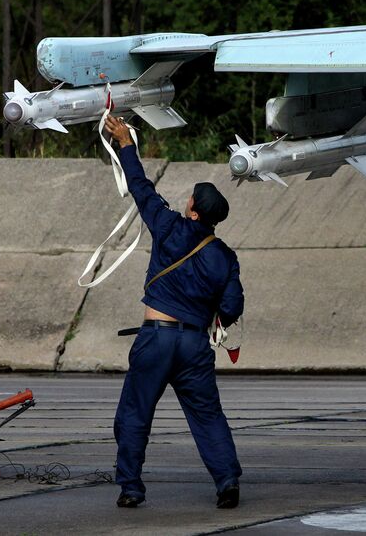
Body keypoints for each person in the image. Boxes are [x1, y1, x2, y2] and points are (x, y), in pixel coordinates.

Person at [104, 115, 244, 510]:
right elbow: (233, 306)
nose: (188, 201)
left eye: (192, 199)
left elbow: (141, 189)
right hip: (195, 345)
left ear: (194, 211)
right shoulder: (224, 256)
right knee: (207, 416)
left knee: (135, 414)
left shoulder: (168, 227)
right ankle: (227, 481)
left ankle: (131, 487)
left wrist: (126, 144)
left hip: (157, 337)